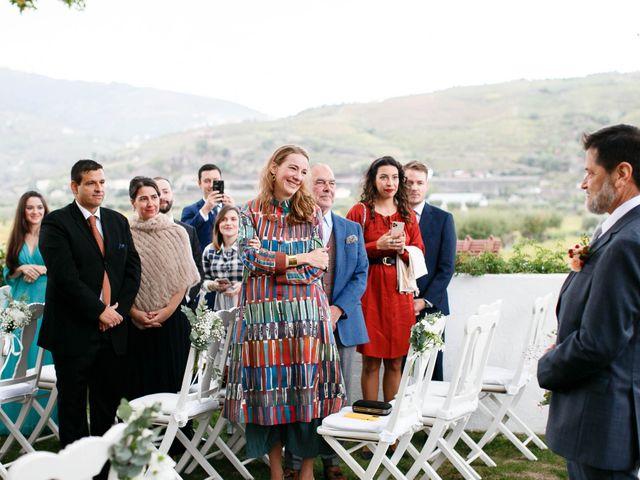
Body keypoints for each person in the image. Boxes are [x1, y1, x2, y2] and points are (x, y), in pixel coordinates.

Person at [223, 145, 345, 480]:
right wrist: (298, 258)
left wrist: (278, 260)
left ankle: (305, 472)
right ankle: (277, 473)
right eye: (293, 168)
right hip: (262, 324)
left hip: (306, 321)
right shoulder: (247, 213)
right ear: (274, 167)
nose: (299, 176)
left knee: (308, 398)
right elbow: (250, 260)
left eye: (304, 172)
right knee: (265, 400)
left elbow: (315, 269)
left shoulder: (310, 213)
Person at [537, 124, 640, 480]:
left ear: (622, 173)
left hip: (601, 418)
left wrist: (548, 365)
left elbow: (600, 342)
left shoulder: (627, 241)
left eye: (590, 172)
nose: (584, 184)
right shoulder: (620, 231)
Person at [38, 159, 141, 448]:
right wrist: (99, 311)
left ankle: (104, 470)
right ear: (75, 186)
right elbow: (65, 277)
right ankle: (75, 471)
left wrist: (116, 312)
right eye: (91, 183)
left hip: (113, 331)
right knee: (72, 408)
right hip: (73, 332)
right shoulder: (56, 223)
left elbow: (132, 269)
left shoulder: (117, 221)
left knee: (106, 408)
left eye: (102, 182)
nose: (99, 188)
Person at [284, 164, 369, 480]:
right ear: (307, 187)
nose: (327, 188)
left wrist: (336, 310)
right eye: (320, 182)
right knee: (300, 393)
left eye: (332, 183)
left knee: (338, 395)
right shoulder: (293, 227)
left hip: (341, 325)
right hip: (302, 326)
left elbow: (361, 275)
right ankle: (293, 465)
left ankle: (331, 461)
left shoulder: (351, 229)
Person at [346, 156, 424, 405]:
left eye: (394, 177)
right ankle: (371, 425)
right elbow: (347, 252)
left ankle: (392, 431)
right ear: (373, 180)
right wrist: (375, 246)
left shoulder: (408, 215)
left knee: (395, 362)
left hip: (399, 294)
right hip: (370, 291)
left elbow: (420, 253)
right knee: (370, 362)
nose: (389, 182)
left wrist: (403, 250)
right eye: (383, 177)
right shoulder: (360, 212)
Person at [126, 177, 200, 399]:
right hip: (134, 323)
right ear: (133, 202)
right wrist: (135, 313)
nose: (150, 203)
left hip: (172, 321)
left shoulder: (178, 232)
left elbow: (184, 277)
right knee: (139, 387)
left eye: (154, 197)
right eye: (143, 198)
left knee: (174, 386)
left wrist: (166, 311)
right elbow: (120, 279)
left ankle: (178, 435)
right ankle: (143, 434)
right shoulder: (124, 233)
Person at [2, 191, 52, 433]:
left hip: (46, 302)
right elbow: (7, 274)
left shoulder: (52, 234)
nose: (35, 212)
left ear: (45, 209)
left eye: (39, 208)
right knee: (19, 358)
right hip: (20, 305)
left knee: (44, 359)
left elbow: (64, 267)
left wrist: (41, 268)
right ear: (23, 211)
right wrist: (21, 267)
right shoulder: (17, 237)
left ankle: (44, 419)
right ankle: (15, 420)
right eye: (30, 208)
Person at [404, 161, 456, 380]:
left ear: (426, 186)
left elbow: (446, 268)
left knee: (431, 374)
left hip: (431, 309)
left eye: (419, 183)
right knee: (399, 371)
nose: (414, 187)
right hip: (397, 308)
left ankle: (429, 415)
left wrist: (424, 301)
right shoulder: (391, 218)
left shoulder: (444, 219)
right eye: (409, 182)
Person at [154, 176, 203, 308]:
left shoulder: (189, 231)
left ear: (172, 194)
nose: (162, 197)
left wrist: (186, 298)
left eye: (166, 191)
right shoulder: (141, 233)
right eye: (157, 194)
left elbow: (198, 269)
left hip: (184, 308)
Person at [180, 164, 234, 253]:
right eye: (207, 181)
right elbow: (185, 235)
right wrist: (205, 209)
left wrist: (234, 211)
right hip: (203, 263)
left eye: (216, 181)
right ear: (199, 183)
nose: (212, 185)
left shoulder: (233, 207)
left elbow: (244, 235)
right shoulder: (189, 210)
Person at [201, 205, 243, 311]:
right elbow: (202, 281)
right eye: (223, 219)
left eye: (233, 219)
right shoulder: (209, 250)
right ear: (218, 224)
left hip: (244, 307)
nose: (228, 223)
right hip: (218, 308)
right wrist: (213, 285)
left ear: (240, 224)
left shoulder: (249, 248)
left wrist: (244, 285)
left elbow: (259, 278)